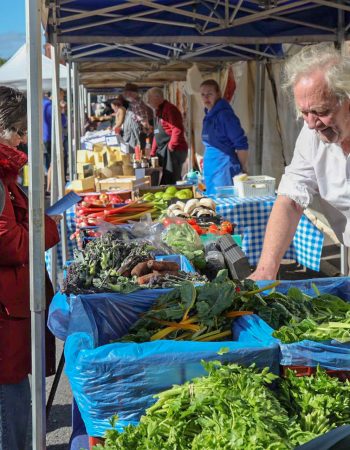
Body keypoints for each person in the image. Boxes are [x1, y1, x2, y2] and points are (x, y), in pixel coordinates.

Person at [250, 43, 350, 281]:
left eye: (321, 111)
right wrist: (266, 270)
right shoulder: (311, 136)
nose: (312, 123)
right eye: (304, 112)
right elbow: (290, 200)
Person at [0, 86, 61, 449]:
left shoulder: (7, 175)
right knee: (11, 402)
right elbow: (9, 243)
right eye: (19, 130)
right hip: (5, 309)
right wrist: (44, 227)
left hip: (12, 305)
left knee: (16, 396)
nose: (24, 138)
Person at [199, 79, 248, 195]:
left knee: (224, 206)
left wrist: (242, 168)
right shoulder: (208, 115)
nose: (206, 97)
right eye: (203, 94)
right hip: (211, 169)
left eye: (210, 94)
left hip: (224, 170)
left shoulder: (225, 115)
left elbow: (241, 145)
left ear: (218, 94)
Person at [147, 87, 188, 184]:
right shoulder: (158, 111)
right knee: (166, 179)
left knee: (173, 180)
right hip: (165, 151)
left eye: (149, 98)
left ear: (157, 97)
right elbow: (157, 133)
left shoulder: (170, 109)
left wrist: (171, 147)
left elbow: (177, 129)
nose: (148, 101)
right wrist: (152, 152)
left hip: (174, 151)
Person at [123, 83, 153, 150]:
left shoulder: (137, 104)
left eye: (126, 92)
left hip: (136, 136)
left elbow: (144, 121)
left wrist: (147, 130)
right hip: (133, 135)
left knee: (138, 154)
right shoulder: (134, 103)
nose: (124, 95)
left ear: (131, 93)